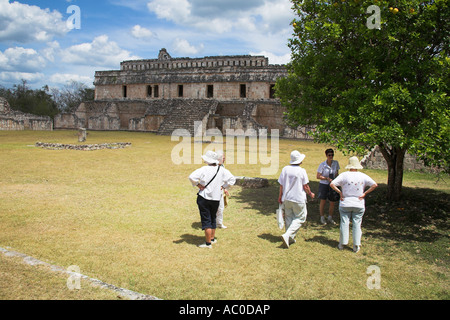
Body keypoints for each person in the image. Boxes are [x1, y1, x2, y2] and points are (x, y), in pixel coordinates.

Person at [330, 156, 378, 253]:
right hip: (358, 203)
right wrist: (365, 193)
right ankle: (356, 245)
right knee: (357, 223)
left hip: (345, 202)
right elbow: (374, 185)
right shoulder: (362, 176)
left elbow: (332, 184)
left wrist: (340, 192)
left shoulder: (344, 175)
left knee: (344, 222)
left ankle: (342, 243)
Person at [189, 150, 235, 248]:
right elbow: (232, 179)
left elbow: (191, 176)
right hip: (216, 198)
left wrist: (198, 185)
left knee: (206, 220)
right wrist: (224, 186)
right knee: (213, 218)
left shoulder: (204, 169)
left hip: (204, 197)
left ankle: (208, 243)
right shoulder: (221, 169)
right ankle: (212, 238)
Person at [278, 150, 315, 248]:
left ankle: (289, 238)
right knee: (300, 217)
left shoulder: (285, 169)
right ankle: (288, 235)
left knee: (289, 217)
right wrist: (310, 194)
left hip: (286, 197)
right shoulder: (302, 171)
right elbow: (305, 186)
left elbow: (281, 185)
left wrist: (280, 196)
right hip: (298, 198)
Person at [316, 148, 340, 225]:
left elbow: (337, 173)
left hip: (332, 184)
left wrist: (335, 179)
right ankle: (322, 217)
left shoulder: (336, 163)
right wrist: (326, 178)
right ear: (326, 155)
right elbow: (318, 176)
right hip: (324, 184)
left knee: (332, 202)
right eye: (329, 155)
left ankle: (330, 217)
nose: (331, 156)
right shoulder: (322, 165)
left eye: (332, 155)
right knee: (323, 201)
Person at [215, 150, 230, 229]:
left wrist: (225, 188)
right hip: (213, 190)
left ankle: (219, 224)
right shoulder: (213, 166)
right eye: (223, 158)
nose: (224, 159)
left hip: (220, 190)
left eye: (224, 158)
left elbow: (224, 179)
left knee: (221, 207)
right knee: (214, 207)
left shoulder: (223, 166)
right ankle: (213, 222)